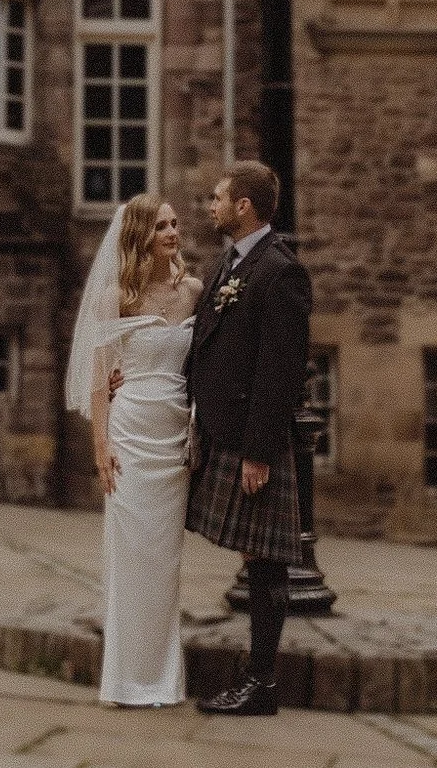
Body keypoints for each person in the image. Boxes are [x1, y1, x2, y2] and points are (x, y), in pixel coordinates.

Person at [184, 160, 312, 718]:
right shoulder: (228, 263)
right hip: (221, 430)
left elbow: (280, 369)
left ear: (244, 207)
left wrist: (259, 452)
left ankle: (261, 684)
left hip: (250, 438)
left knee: (265, 561)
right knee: (255, 556)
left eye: (218, 198)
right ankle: (256, 682)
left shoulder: (279, 270)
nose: (210, 206)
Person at [65, 191, 200, 708]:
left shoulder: (192, 291)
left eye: (175, 224)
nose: (172, 233)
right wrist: (101, 449)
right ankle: (125, 680)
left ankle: (164, 679)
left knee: (166, 562)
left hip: (174, 438)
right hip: (129, 434)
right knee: (130, 557)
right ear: (142, 235)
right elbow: (101, 384)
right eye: (162, 226)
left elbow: (201, 364)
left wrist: (198, 426)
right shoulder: (114, 298)